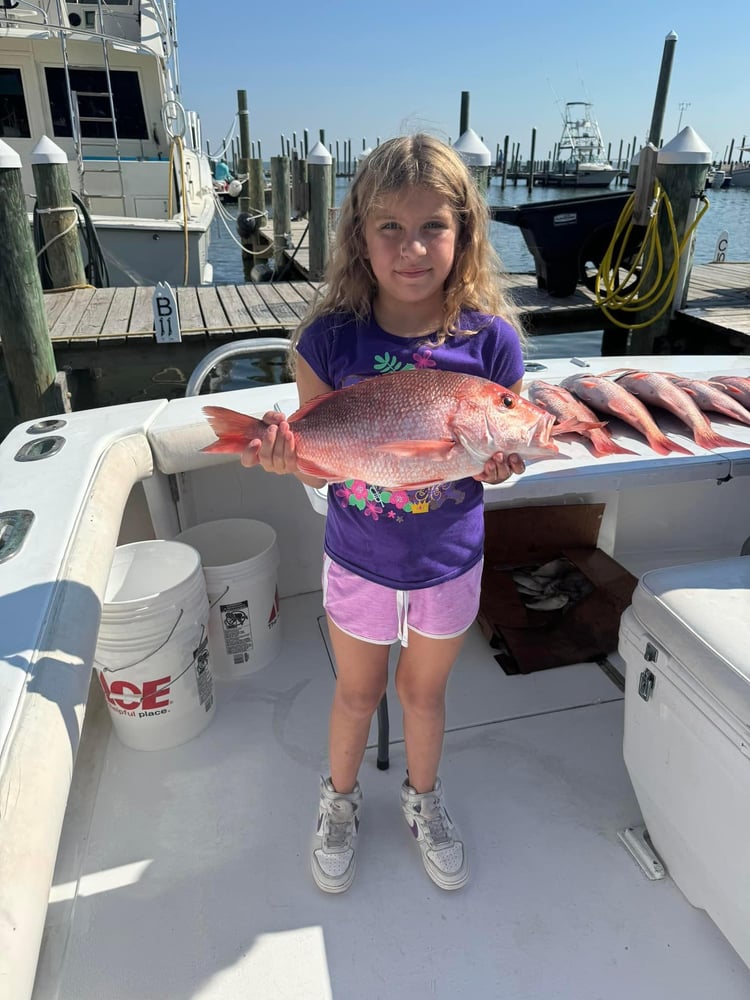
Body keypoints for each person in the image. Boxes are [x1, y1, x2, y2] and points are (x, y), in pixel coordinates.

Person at [242, 133, 527, 893]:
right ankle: (338, 803)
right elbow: (320, 459)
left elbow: (481, 460)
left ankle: (423, 800)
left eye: (433, 226)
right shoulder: (326, 340)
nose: (412, 248)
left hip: (449, 561)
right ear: (359, 238)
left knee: (424, 694)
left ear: (464, 233)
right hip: (359, 557)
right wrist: (285, 456)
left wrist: (499, 467)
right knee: (357, 693)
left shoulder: (493, 344)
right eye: (390, 228)